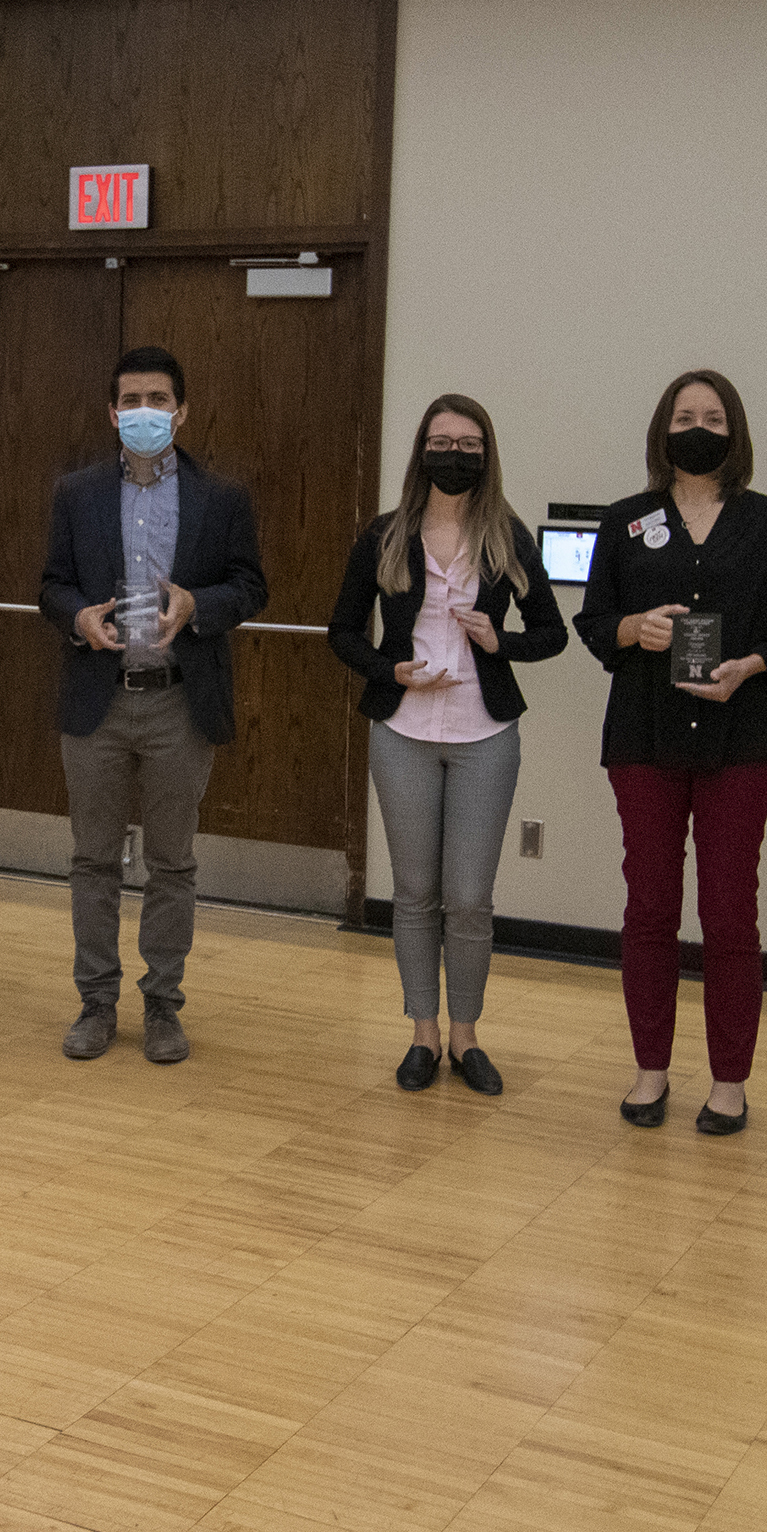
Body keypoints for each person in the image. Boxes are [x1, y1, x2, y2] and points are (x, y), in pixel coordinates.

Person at [576, 368, 767, 1136]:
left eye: (713, 417)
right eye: (684, 416)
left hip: (740, 740)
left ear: (734, 431)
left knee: (729, 911)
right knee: (650, 907)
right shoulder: (626, 520)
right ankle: (650, 1070)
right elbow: (594, 622)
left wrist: (751, 666)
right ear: (663, 429)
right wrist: (632, 628)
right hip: (642, 737)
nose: (698, 428)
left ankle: (729, 1082)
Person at [329, 394, 567, 1095]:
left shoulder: (507, 536)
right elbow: (342, 631)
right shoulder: (384, 534)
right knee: (413, 894)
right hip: (402, 732)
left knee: (467, 898)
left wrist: (500, 640)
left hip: (484, 735)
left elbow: (552, 633)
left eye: (468, 445)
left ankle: (467, 1037)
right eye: (441, 442)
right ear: (421, 450)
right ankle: (424, 1034)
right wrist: (389, 669)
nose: (454, 455)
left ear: (486, 455)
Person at [40, 346, 270, 1064]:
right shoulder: (76, 492)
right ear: (113, 414)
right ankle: (96, 1003)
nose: (145, 411)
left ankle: (163, 1004)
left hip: (179, 702)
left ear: (182, 411)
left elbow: (251, 586)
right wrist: (77, 616)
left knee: (172, 864)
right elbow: (51, 586)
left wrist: (200, 606)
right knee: (93, 861)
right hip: (99, 701)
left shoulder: (222, 497)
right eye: (132, 400)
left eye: (159, 400)